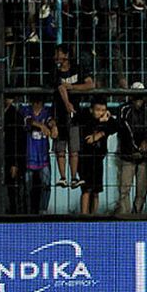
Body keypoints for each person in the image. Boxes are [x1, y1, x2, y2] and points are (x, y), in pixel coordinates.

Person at [52, 44, 95, 189]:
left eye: (58, 53)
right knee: (60, 148)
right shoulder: (55, 72)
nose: (56, 56)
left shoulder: (78, 69)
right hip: (59, 114)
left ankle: (74, 177)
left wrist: (73, 87)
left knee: (74, 148)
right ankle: (63, 177)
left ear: (66, 55)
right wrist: (67, 104)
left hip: (75, 115)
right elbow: (61, 88)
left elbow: (90, 85)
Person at [115, 83, 147, 214]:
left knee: (142, 190)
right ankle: (125, 216)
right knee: (124, 189)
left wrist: (145, 140)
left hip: (144, 155)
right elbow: (123, 129)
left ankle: (137, 214)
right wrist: (134, 147)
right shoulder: (123, 109)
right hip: (128, 154)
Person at [77, 97, 117, 215]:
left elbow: (116, 126)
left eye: (103, 110)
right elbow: (88, 133)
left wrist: (102, 132)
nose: (100, 113)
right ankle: (84, 216)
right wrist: (100, 123)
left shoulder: (107, 121)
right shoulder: (86, 119)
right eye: (98, 110)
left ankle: (93, 216)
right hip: (85, 160)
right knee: (86, 189)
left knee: (96, 191)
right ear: (91, 110)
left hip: (98, 160)